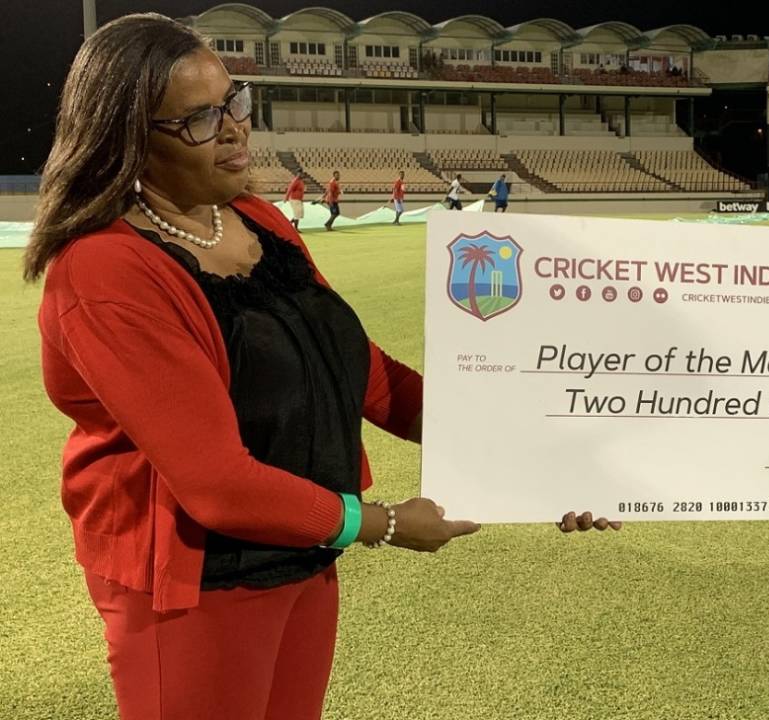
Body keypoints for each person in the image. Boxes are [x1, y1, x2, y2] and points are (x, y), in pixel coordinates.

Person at [23, 14, 617, 720]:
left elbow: (361, 374)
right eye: (199, 119)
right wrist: (385, 522)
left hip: (301, 551)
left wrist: (538, 464)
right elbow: (217, 484)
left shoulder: (258, 221)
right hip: (192, 581)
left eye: (234, 102)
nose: (236, 129)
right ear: (127, 141)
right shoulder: (105, 270)